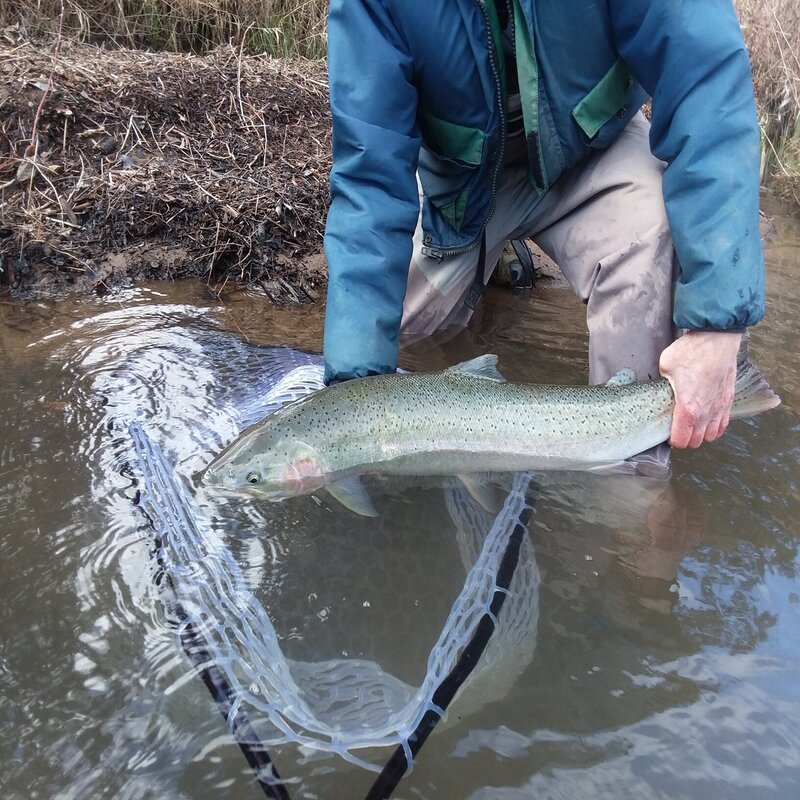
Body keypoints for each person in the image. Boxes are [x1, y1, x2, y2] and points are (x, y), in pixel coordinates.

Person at [321, 0, 765, 471]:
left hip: (591, 153)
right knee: (402, 338)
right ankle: (497, 258)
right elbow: (370, 182)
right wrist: (351, 403)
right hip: (462, 188)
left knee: (653, 238)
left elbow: (708, 87)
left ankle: (629, 490)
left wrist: (717, 325)